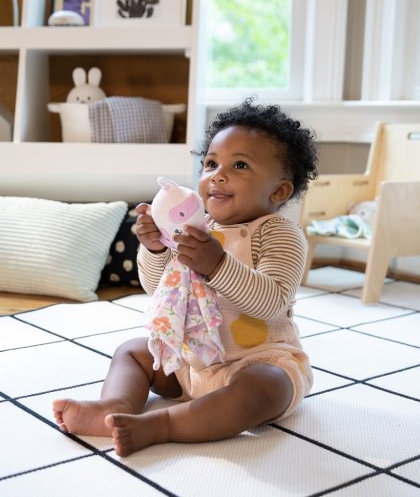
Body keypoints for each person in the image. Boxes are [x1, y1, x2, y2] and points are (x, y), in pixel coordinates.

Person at [53, 98, 319, 457]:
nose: (217, 175)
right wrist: (155, 249)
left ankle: (163, 425)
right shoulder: (195, 227)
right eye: (211, 163)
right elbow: (159, 289)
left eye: (239, 165)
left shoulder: (279, 233)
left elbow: (271, 302)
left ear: (279, 190)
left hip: (255, 362)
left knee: (266, 388)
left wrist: (218, 264)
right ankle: (114, 405)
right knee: (133, 351)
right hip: (191, 362)